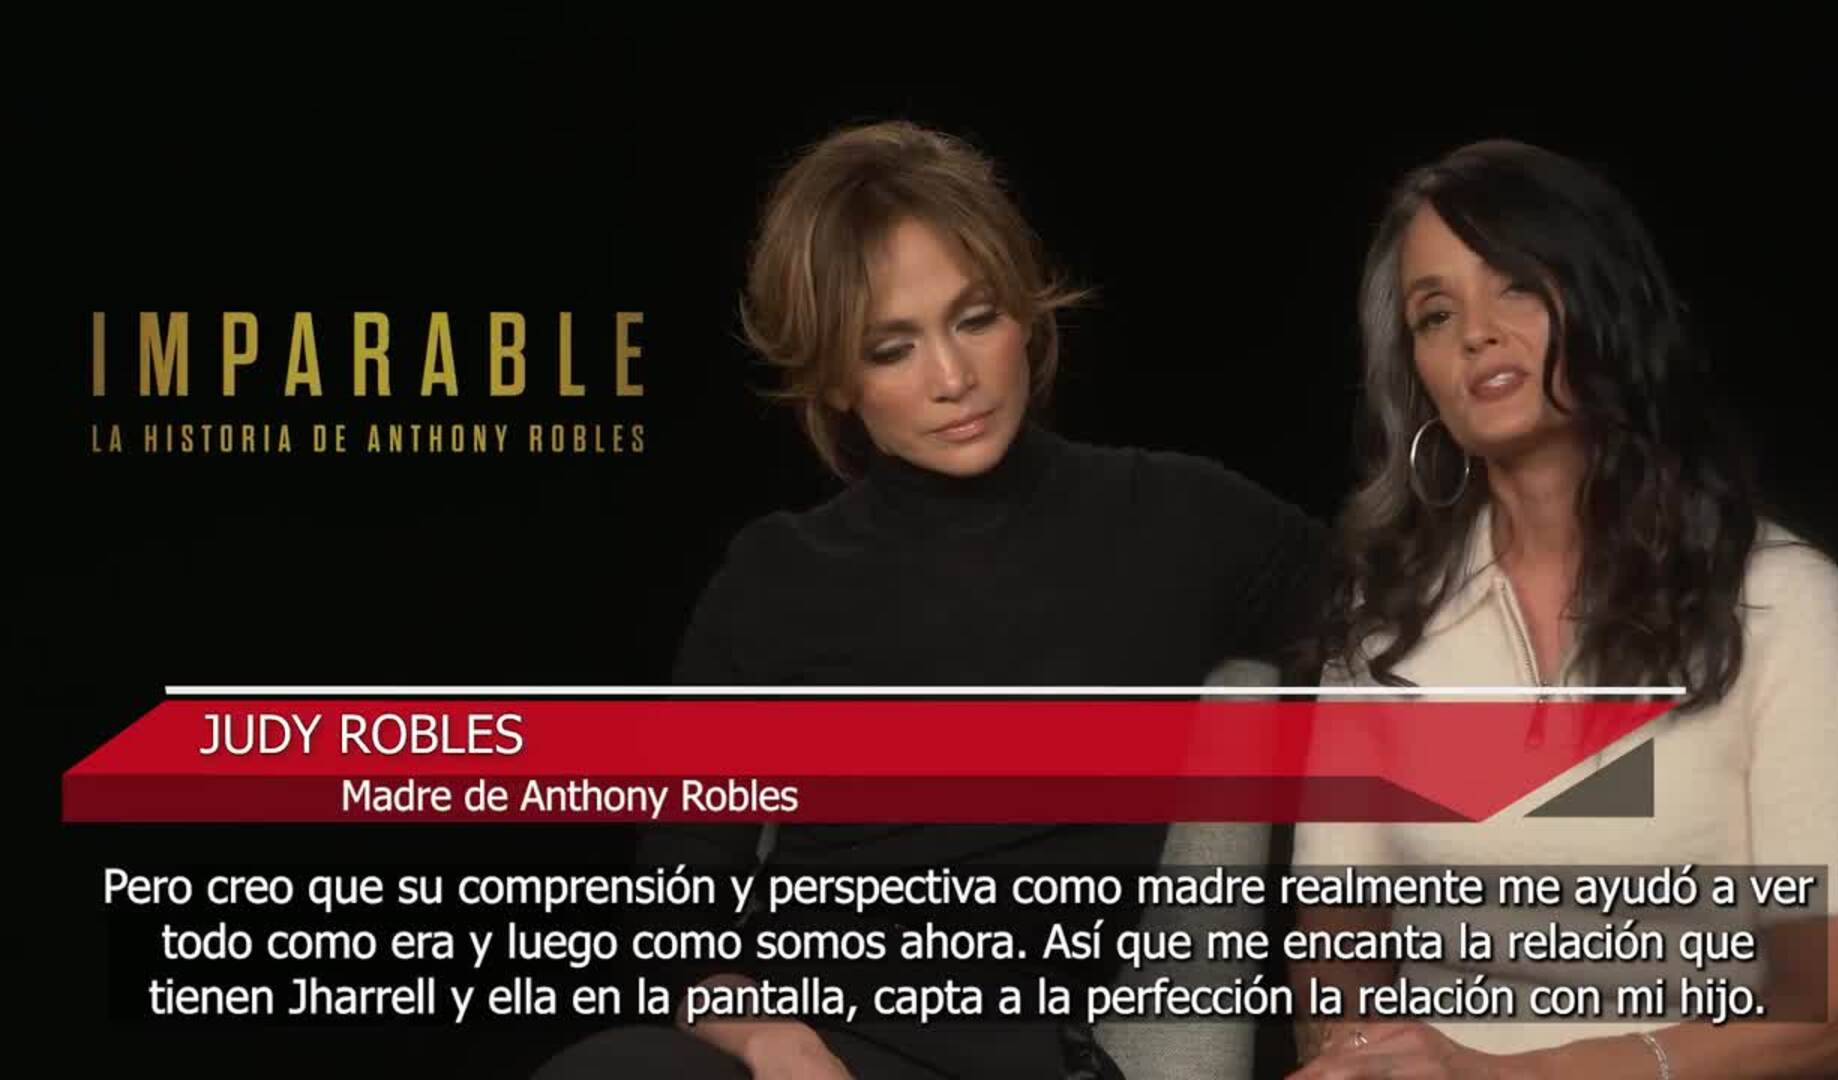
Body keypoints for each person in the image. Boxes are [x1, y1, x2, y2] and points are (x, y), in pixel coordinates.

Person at [537, 120, 1327, 1078]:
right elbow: (679, 906)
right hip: (796, 1050)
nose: (953, 379)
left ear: (1026, 312)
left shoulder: (1178, 520)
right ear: (836, 380)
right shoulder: (774, 575)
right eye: (891, 348)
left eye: (975, 318)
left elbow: (1405, 621)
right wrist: (764, 1035)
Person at [1288, 140, 1838, 1078]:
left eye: (1517, 287)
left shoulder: (1784, 601)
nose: (1476, 334)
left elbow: (1825, 1017)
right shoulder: (1384, 624)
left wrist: (1504, 1075)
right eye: (1435, 314)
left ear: (1604, 305)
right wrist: (1355, 1060)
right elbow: (1337, 946)